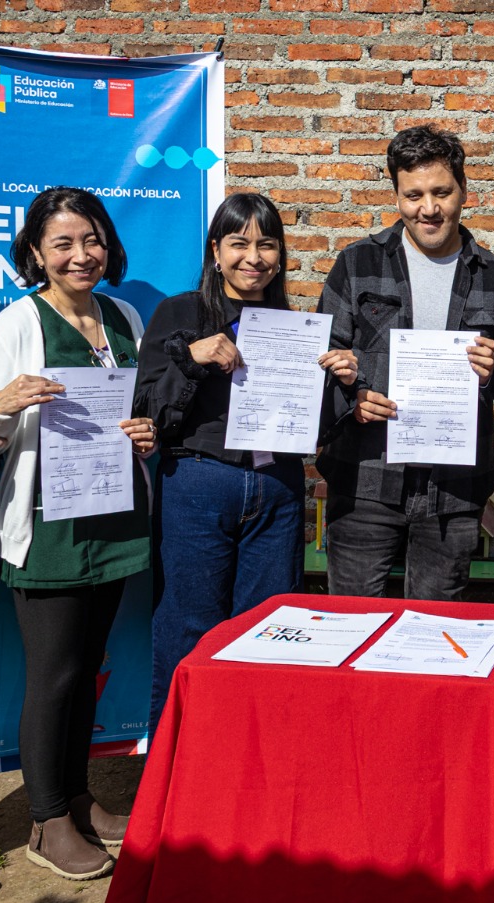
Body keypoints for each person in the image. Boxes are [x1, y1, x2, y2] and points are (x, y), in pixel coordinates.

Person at [0, 187, 155, 880]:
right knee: (53, 676)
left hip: (113, 520)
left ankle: (77, 797)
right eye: (63, 244)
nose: (81, 255)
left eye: (92, 240)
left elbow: (136, 407)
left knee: (86, 670)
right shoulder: (15, 325)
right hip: (50, 529)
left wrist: (144, 432)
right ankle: (47, 822)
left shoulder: (123, 316)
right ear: (35, 253)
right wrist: (1, 404)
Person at [137, 193, 349, 731]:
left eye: (266, 244)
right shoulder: (180, 314)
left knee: (270, 632)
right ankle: (176, 761)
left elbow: (317, 429)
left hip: (277, 489)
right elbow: (147, 412)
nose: (253, 257)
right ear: (215, 251)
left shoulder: (294, 326)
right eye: (239, 243)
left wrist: (340, 383)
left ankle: (252, 758)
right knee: (189, 630)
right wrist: (192, 359)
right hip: (198, 485)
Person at [317, 125, 494, 600]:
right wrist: (354, 398)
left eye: (441, 192)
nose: (429, 208)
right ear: (397, 195)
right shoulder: (357, 264)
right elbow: (321, 360)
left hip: (455, 488)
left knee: (434, 627)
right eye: (414, 195)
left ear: (463, 190)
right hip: (366, 477)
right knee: (352, 621)